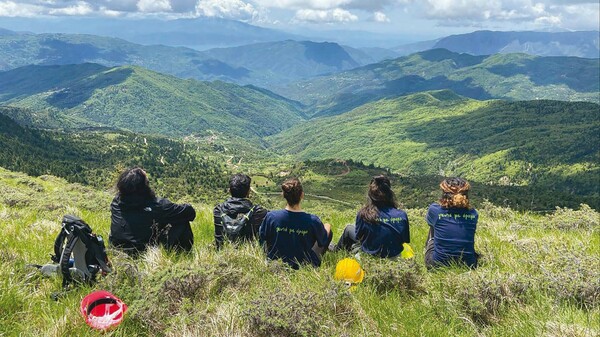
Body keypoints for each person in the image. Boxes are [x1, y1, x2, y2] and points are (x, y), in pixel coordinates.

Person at [109, 167, 196, 255]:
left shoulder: (116, 202)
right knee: (181, 220)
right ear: (144, 187)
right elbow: (190, 212)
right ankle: (182, 253)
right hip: (142, 252)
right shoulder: (158, 206)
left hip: (116, 249)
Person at [259, 178, 333, 269]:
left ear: (283, 195)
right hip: (304, 265)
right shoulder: (313, 220)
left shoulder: (271, 217)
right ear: (302, 195)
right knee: (327, 230)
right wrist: (327, 225)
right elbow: (322, 242)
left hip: (276, 263)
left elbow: (262, 237)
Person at [332, 175, 410, 258]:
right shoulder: (401, 215)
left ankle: (338, 253)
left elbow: (359, 237)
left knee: (349, 229)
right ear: (390, 194)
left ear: (370, 195)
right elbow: (404, 240)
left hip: (368, 257)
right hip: (394, 258)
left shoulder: (364, 214)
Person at [424, 177, 478, 269]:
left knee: (433, 225)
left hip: (437, 264)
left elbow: (431, 223)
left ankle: (436, 252)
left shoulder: (434, 210)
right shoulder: (473, 214)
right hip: (469, 264)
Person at [213, 173, 267, 249]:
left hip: (222, 251)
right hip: (248, 254)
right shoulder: (259, 212)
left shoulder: (218, 210)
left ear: (229, 191)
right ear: (248, 192)